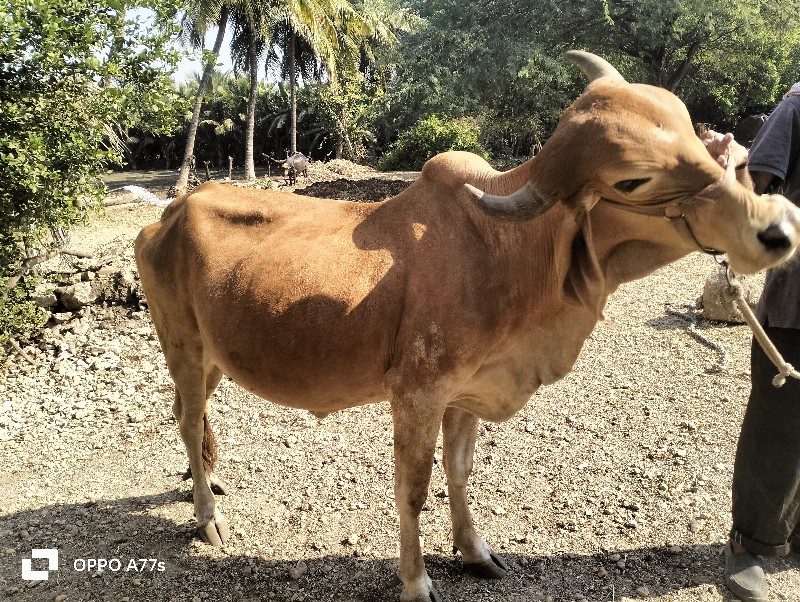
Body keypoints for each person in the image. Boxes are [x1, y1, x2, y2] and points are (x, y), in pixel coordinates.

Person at [722, 83, 800, 602]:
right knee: (778, 425)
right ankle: (752, 543)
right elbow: (753, 194)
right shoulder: (797, 107)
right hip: (796, 306)